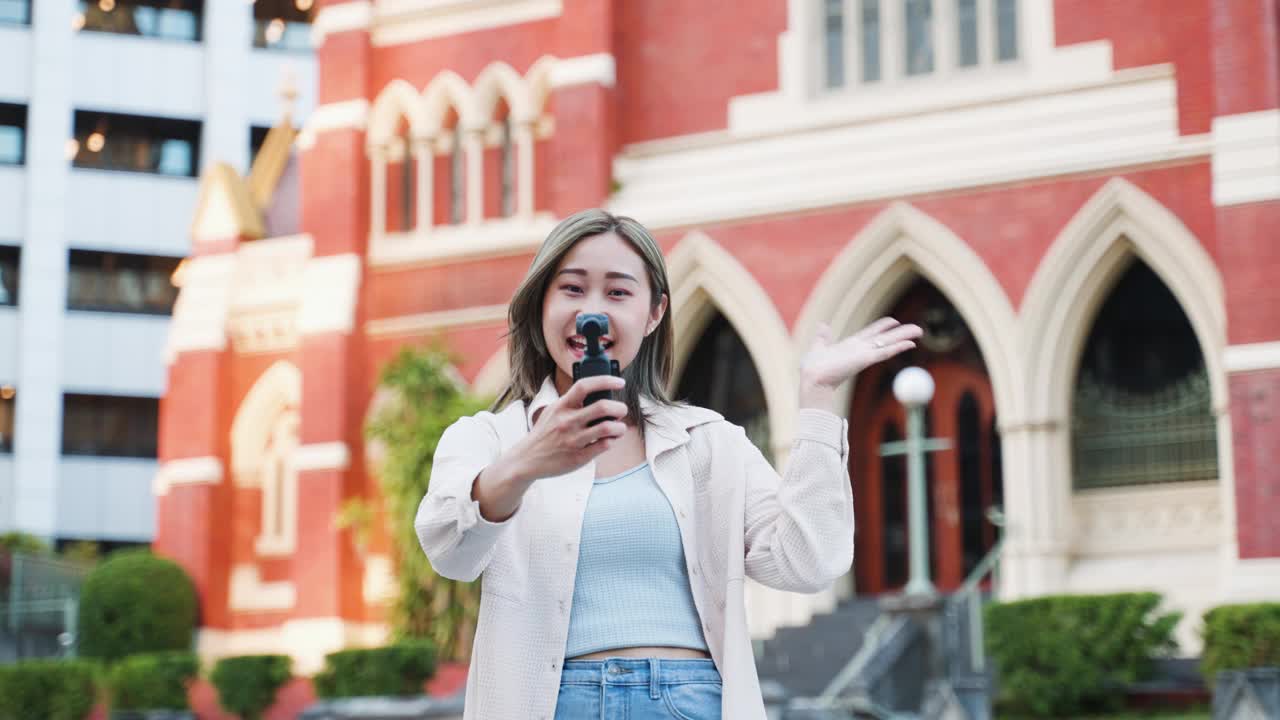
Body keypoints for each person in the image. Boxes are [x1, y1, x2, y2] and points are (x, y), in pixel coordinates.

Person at [416, 209, 922, 720]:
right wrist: (526, 462)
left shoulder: (707, 443)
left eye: (618, 293)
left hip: (685, 700)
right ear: (540, 303)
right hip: (549, 703)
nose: (592, 313)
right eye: (571, 289)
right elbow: (449, 551)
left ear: (654, 312)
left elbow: (808, 562)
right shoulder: (486, 439)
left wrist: (817, 398)